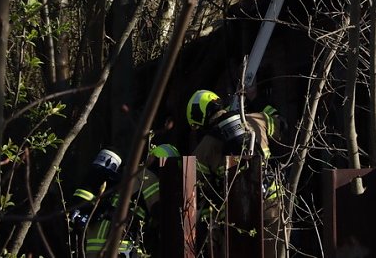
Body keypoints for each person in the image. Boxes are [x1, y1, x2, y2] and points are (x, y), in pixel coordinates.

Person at [187, 88, 287, 258]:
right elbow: (282, 125)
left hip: (237, 219)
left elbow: (200, 195)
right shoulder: (256, 121)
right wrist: (256, 98)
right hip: (272, 209)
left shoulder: (203, 149)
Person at [77, 144, 178, 257]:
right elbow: (159, 211)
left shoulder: (125, 172)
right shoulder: (148, 177)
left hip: (93, 244)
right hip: (122, 245)